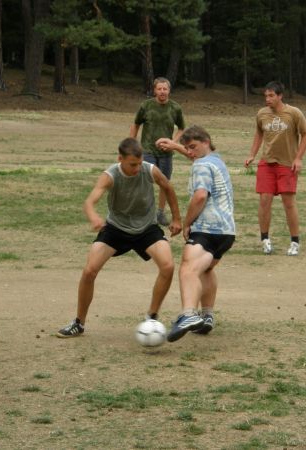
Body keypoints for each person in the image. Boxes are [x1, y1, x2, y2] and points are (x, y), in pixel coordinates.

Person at [56, 138, 182, 338]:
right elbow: (90, 201)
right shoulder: (110, 175)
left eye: (139, 163)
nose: (137, 168)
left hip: (147, 228)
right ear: (120, 159)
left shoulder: (149, 170)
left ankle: (152, 316)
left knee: (167, 266)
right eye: (133, 164)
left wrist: (176, 217)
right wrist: (94, 217)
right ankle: (79, 322)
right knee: (89, 271)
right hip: (116, 228)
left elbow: (167, 186)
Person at [157, 126, 236, 341]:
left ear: (206, 141)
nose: (190, 153)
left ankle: (189, 314)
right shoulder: (216, 160)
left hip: (207, 229)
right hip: (226, 232)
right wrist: (177, 146)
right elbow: (195, 154)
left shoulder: (201, 165)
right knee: (206, 270)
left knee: (188, 269)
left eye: (192, 147)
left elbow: (200, 196)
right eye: (187, 149)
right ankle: (207, 315)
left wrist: (186, 222)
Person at [244, 80, 306, 256]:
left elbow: (305, 134)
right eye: (266, 95)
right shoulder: (262, 114)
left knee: (288, 203)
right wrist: (252, 154)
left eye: (271, 95)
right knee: (264, 201)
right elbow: (259, 133)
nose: (268, 99)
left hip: (287, 164)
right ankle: (265, 240)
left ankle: (295, 242)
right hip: (267, 163)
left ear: (280, 96)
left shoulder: (294, 113)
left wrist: (298, 158)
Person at [129, 77, 186, 227]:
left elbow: (181, 128)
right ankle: (145, 212)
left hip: (166, 153)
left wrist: (173, 143)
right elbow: (135, 124)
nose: (162, 92)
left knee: (164, 183)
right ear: (154, 90)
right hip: (147, 150)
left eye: (165, 89)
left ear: (169, 91)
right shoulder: (146, 106)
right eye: (159, 89)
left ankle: (160, 213)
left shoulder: (175, 108)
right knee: (146, 181)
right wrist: (132, 144)